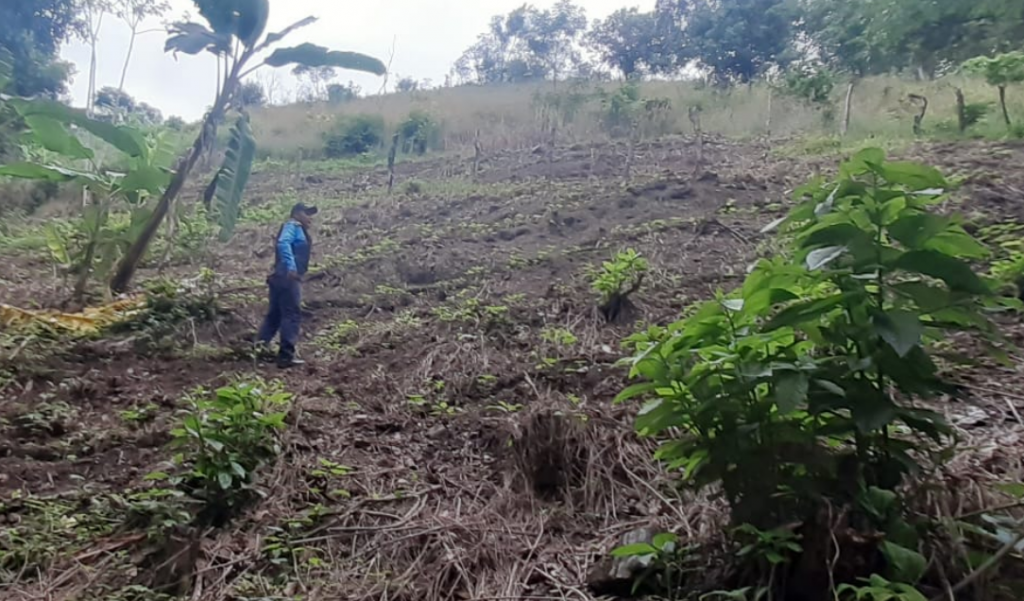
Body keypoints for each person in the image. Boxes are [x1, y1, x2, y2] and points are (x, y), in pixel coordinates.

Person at [257, 203, 317, 368]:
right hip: (288, 277)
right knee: (291, 314)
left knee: (275, 315)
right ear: (297, 213)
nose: (310, 218)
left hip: (279, 277)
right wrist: (291, 267)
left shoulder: (295, 227)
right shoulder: (293, 226)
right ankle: (285, 356)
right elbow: (283, 243)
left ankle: (258, 350)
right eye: (307, 213)